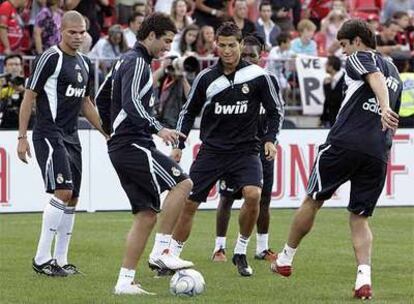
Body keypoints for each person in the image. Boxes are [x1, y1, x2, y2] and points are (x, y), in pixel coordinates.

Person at [271, 19, 402, 300]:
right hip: (377, 151)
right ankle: (363, 279)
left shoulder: (359, 57)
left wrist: (383, 107)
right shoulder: (395, 72)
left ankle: (285, 259)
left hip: (344, 143)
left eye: (344, 45)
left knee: (313, 200)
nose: (343, 52)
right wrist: (385, 117)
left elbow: (373, 78)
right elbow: (392, 114)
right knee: (360, 217)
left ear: (357, 41)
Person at [168, 22, 284, 277]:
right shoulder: (206, 77)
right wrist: (179, 144)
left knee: (254, 194)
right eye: (222, 45)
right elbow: (188, 112)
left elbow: (276, 111)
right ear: (215, 46)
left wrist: (269, 139)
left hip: (245, 151)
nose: (228, 51)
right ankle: (172, 256)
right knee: (189, 203)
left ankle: (241, 250)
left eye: (232, 45)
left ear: (241, 45)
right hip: (212, 151)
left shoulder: (257, 75)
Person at [98, 13, 194, 295]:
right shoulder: (138, 62)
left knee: (147, 214)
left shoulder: (123, 61)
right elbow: (131, 104)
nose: (167, 48)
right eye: (165, 41)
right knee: (183, 183)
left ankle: (125, 282)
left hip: (123, 144)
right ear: (150, 35)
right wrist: (158, 128)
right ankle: (163, 251)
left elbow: (102, 97)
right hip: (133, 143)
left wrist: (109, 131)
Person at [16, 10, 108, 277]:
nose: (78, 37)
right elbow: (28, 98)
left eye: (82, 32)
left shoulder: (84, 63)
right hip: (49, 133)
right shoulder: (49, 58)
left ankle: (61, 259)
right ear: (61, 31)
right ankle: (42, 259)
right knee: (63, 192)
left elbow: (86, 103)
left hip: (72, 137)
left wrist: (106, 133)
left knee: (73, 198)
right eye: (72, 32)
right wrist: (22, 137)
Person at [212, 34, 284, 263]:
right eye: (245, 55)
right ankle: (219, 247)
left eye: (253, 55)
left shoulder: (269, 80)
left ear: (261, 55)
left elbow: (277, 113)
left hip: (262, 150)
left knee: (263, 200)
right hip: (235, 150)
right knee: (227, 197)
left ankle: (262, 248)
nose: (249, 59)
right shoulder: (230, 80)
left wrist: (272, 140)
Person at [0, 53, 27, 129]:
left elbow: (36, 103)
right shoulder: (1, 81)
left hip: (26, 123)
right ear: (5, 67)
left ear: (21, 67)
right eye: (11, 64)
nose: (14, 67)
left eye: (17, 64)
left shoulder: (29, 82)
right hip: (5, 122)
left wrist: (22, 90)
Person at [319, 55, 345, 128]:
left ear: (331, 66)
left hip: (340, 120)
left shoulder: (344, 81)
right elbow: (327, 102)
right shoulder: (330, 80)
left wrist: (327, 87)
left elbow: (333, 100)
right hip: (332, 119)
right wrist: (323, 118)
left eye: (326, 64)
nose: (325, 66)